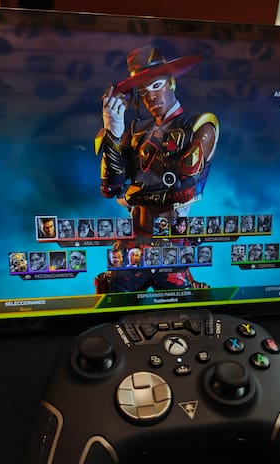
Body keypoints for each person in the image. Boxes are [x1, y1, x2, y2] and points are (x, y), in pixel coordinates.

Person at [94, 45, 219, 292]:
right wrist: (113, 133)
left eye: (156, 85)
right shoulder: (136, 131)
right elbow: (110, 187)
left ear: (171, 82)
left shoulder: (199, 125)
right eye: (143, 91)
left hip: (170, 244)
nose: (150, 96)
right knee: (110, 296)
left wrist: (132, 194)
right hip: (134, 241)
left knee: (181, 306)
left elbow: (182, 190)